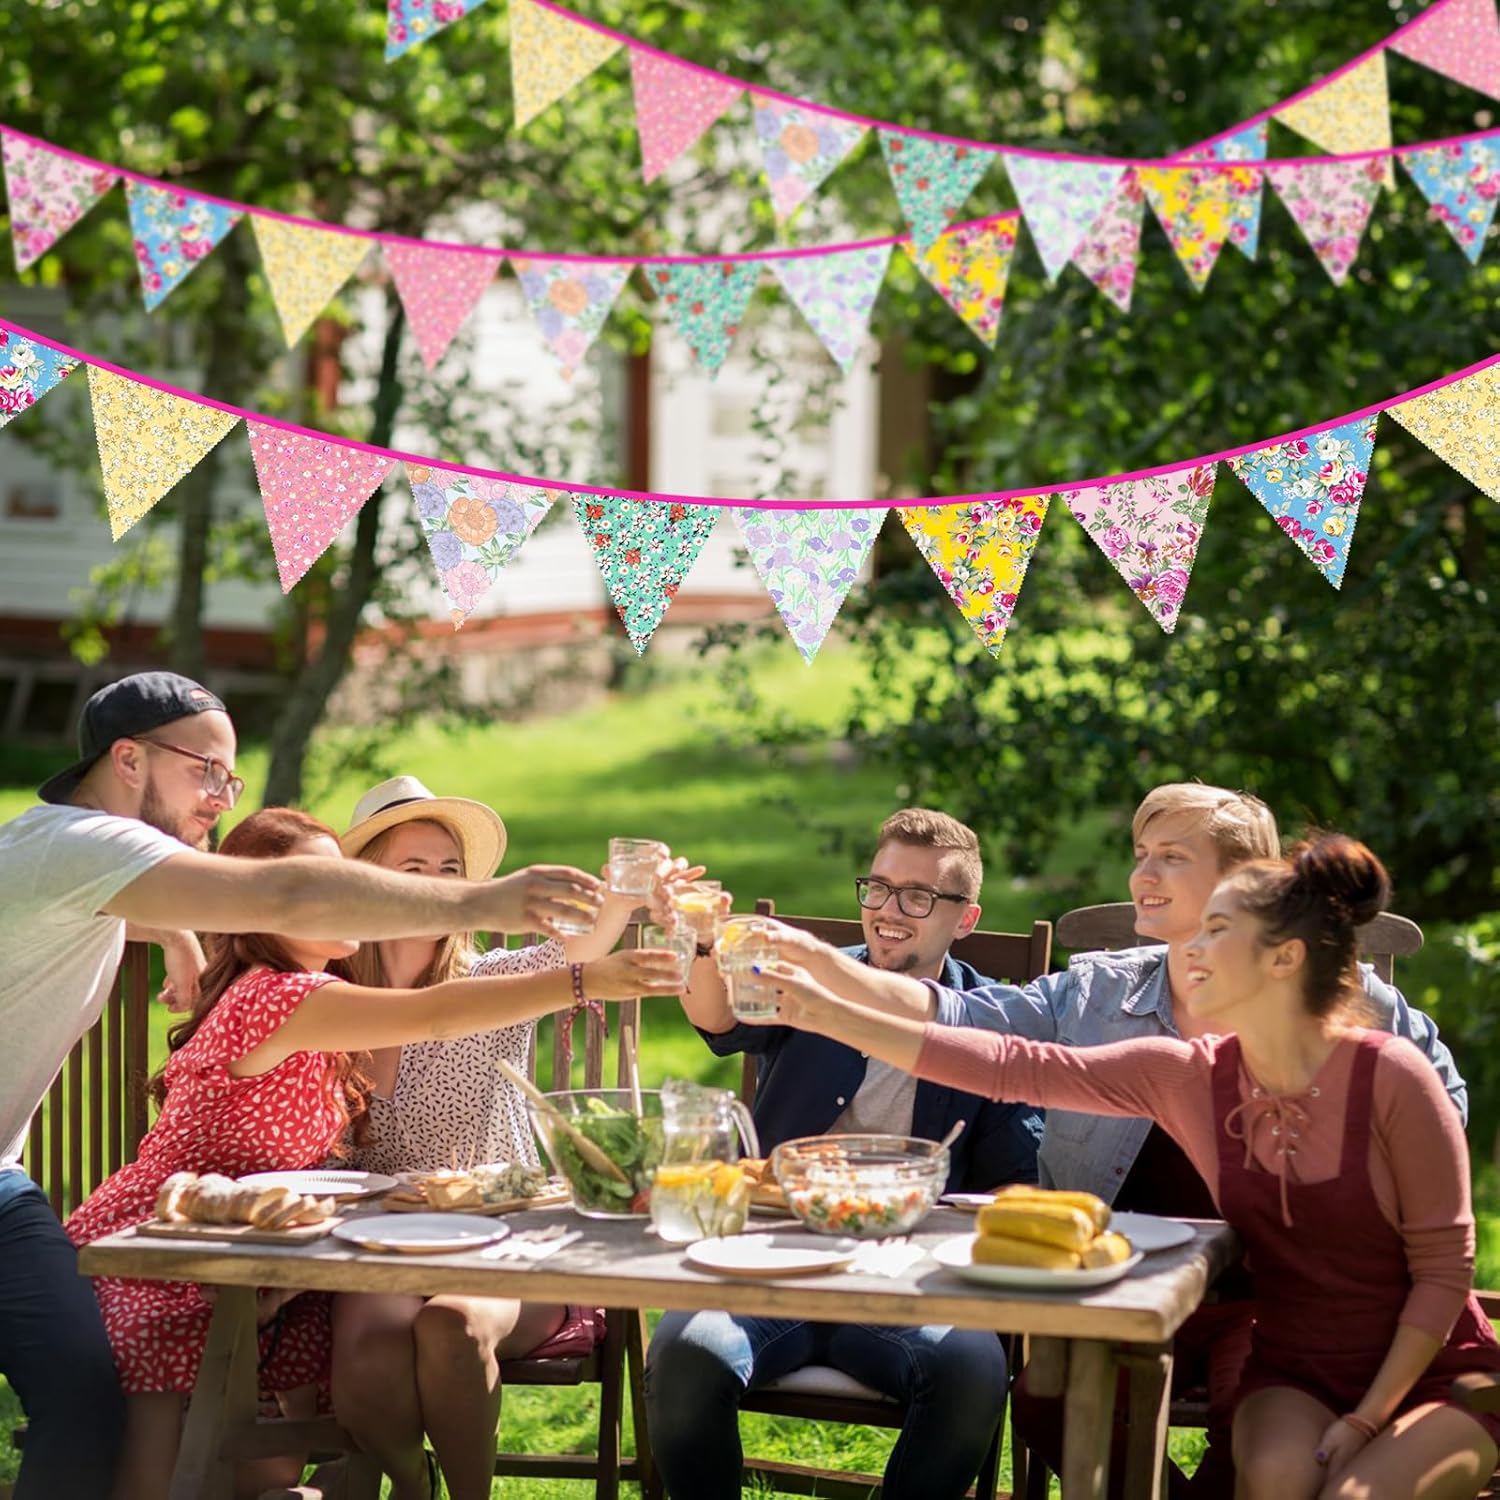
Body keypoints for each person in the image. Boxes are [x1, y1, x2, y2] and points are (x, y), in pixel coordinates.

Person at [758, 783, 1467, 1497]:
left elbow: (1442, 1211)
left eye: (1171, 860)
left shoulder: (1369, 1033)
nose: (1144, 882)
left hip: (1293, 1310)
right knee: (1060, 1397)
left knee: (1265, 1449)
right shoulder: (1178, 1064)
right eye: (1140, 855)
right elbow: (994, 1050)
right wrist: (825, 987)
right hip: (1135, 1283)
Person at [0, 671, 608, 1500]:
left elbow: (185, 903)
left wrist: (177, 936)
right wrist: (487, 906)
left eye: (231, 777)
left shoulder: (89, 864)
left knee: (251, 1434)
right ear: (129, 759)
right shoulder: (258, 975)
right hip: (172, 1255)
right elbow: (414, 1002)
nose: (220, 794)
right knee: (115, 1407)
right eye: (206, 769)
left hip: (221, 1252)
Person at [64, 806, 685, 1500]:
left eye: (349, 883)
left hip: (269, 1245)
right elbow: (436, 1014)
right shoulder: (295, 997)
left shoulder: (315, 988)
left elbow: (514, 974)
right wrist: (586, 985)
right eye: (333, 887)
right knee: (237, 1429)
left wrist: (621, 909)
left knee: (274, 1447)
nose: (352, 902)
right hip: (182, 1243)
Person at [645, 809, 1045, 1500]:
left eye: (918, 897)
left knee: (972, 1372)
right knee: (684, 1356)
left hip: (911, 1280)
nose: (890, 911)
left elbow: (1012, 1185)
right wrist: (700, 937)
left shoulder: (993, 1022)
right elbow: (714, 1015)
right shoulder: (811, 981)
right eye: (879, 888)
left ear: (966, 917)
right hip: (771, 1263)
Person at [330, 777, 696, 1500]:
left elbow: (582, 952)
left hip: (509, 1240)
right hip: (380, 1245)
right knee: (369, 1349)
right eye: (414, 870)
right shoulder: (329, 999)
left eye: (450, 873)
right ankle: (412, 1486)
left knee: (452, 1326)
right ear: (364, 881)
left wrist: (628, 895)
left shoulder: (494, 982)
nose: (436, 888)